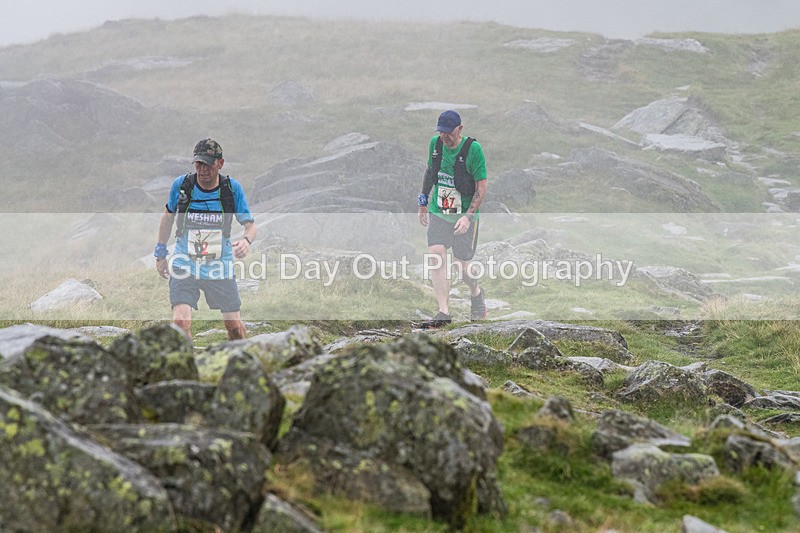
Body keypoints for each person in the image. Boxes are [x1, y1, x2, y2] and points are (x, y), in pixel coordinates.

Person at [154, 138, 256, 341]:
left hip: (220, 265)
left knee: (234, 327)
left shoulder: (231, 189)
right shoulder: (182, 186)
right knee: (180, 323)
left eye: (208, 164)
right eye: (198, 164)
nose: (202, 170)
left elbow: (250, 226)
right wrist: (160, 253)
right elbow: (167, 218)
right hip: (185, 262)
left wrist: (246, 241)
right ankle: (186, 368)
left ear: (220, 163)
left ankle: (246, 362)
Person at [418, 110, 488, 328]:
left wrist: (468, 217)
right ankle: (443, 313)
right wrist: (423, 202)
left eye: (448, 132)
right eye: (440, 132)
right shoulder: (435, 144)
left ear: (459, 129)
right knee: (436, 254)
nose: (444, 136)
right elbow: (431, 172)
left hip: (464, 216)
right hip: (440, 210)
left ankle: (476, 293)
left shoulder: (473, 150)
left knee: (461, 267)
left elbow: (482, 187)